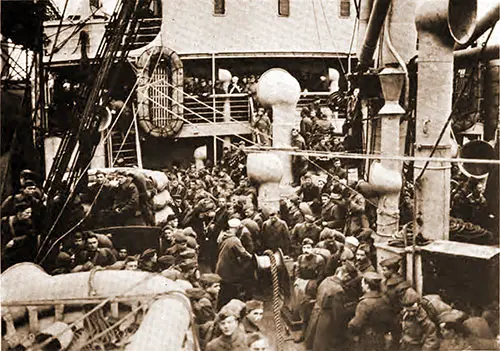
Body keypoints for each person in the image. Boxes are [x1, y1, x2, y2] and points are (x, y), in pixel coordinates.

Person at [305, 263, 358, 350]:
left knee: (315, 341)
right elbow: (338, 313)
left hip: (316, 314)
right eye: (348, 278)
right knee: (324, 344)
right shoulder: (338, 290)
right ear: (346, 275)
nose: (348, 280)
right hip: (327, 320)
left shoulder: (326, 280)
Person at [348, 272, 396, 351]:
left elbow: (356, 324)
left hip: (367, 339)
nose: (361, 285)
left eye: (362, 283)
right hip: (382, 337)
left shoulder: (364, 304)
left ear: (367, 286)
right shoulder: (385, 299)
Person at [215, 218, 253, 309]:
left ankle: (219, 307)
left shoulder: (223, 236)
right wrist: (252, 258)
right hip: (228, 269)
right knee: (230, 289)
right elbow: (243, 253)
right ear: (236, 228)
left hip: (221, 266)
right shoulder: (234, 240)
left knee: (223, 289)